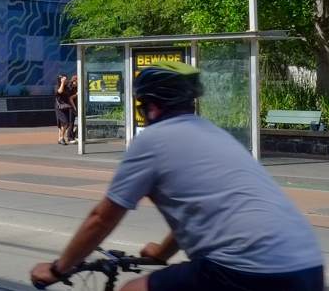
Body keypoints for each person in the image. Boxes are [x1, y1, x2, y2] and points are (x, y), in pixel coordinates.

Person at [32, 61, 324, 291]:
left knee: (133, 289)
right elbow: (201, 209)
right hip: (306, 266)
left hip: (247, 268)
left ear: (152, 107)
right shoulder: (213, 134)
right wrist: (161, 252)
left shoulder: (153, 140)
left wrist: (59, 269)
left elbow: (102, 218)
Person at [55, 75, 73, 146]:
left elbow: (69, 97)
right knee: (64, 122)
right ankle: (62, 138)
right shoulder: (56, 87)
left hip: (66, 106)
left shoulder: (67, 88)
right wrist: (62, 83)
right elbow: (60, 92)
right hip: (59, 107)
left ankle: (60, 138)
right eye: (64, 80)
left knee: (65, 123)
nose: (65, 81)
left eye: (66, 80)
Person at [67, 74, 78, 143]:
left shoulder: (76, 88)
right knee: (71, 122)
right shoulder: (70, 88)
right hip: (71, 107)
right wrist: (74, 108)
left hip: (75, 106)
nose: (77, 84)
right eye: (76, 82)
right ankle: (69, 137)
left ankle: (73, 135)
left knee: (73, 122)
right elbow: (70, 98)